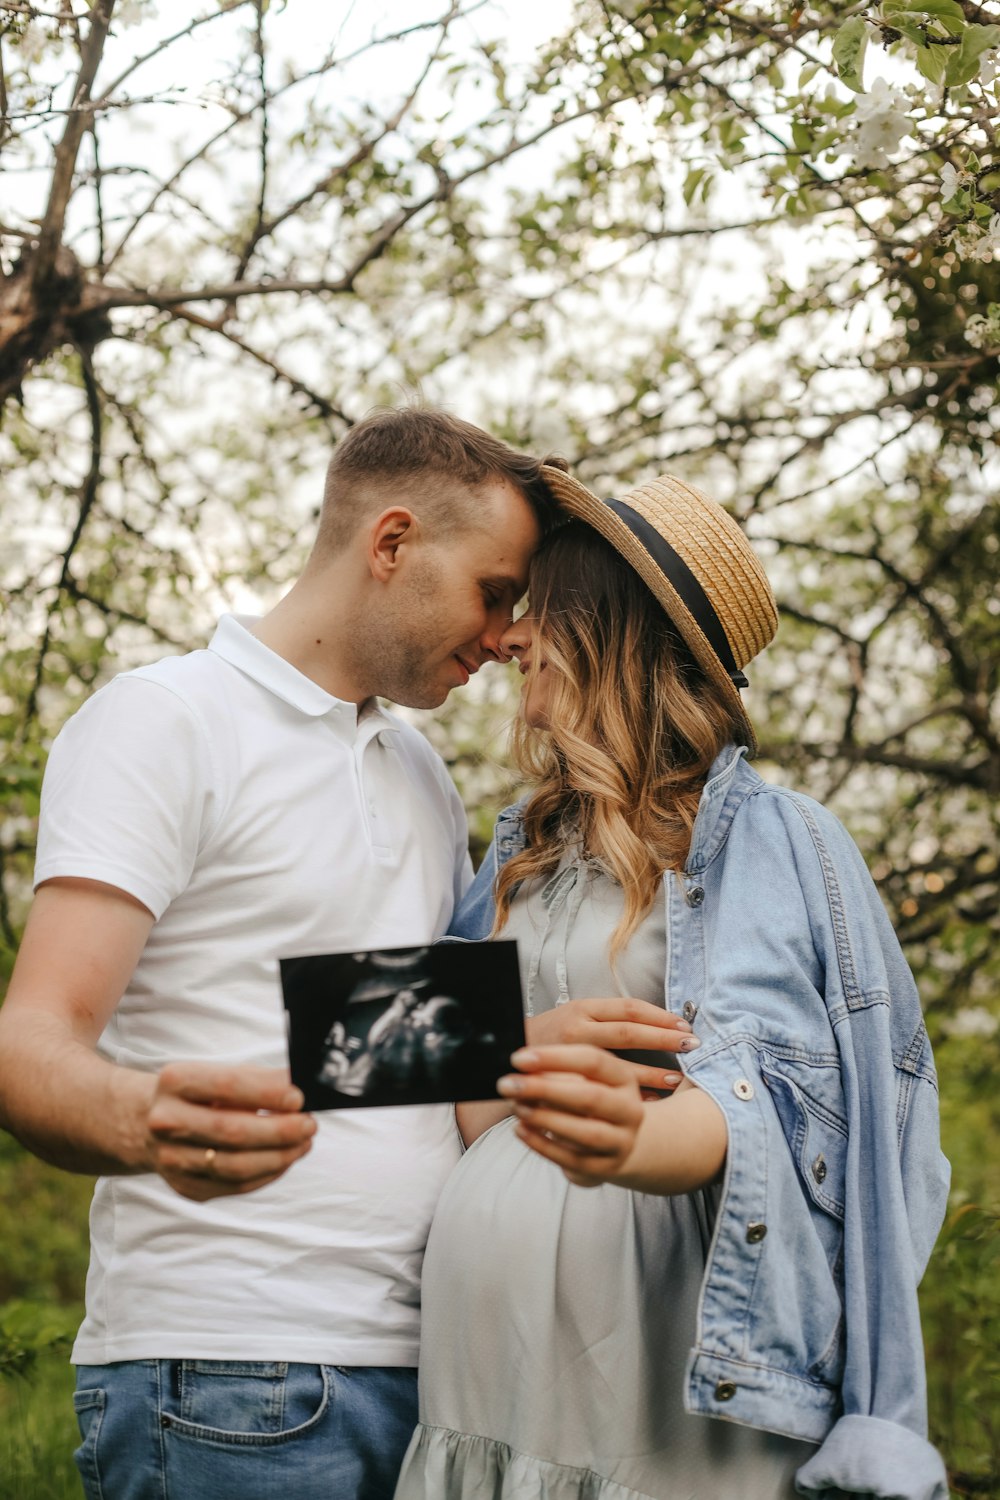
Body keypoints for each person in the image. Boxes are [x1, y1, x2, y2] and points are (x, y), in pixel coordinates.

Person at [0, 407, 586, 1500]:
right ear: (392, 541)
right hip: (229, 1376)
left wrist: (531, 1046)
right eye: (496, 592)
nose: (509, 636)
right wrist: (141, 1118)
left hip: (429, 1375)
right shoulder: (163, 719)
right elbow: (32, 1037)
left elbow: (332, 1036)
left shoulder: (422, 776)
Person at [394, 468, 951, 1500]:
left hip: (650, 1367)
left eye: (541, 608)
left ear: (614, 631)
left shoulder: (773, 840)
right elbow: (438, 1076)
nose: (511, 638)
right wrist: (518, 1063)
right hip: (484, 1382)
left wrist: (627, 1141)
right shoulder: (520, 842)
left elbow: (785, 1112)